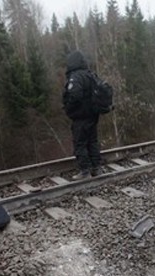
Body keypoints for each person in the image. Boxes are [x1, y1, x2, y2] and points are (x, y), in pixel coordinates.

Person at [62, 51, 103, 180]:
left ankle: (84, 171)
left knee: (80, 143)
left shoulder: (76, 77)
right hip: (93, 115)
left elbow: (75, 95)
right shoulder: (90, 75)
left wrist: (69, 108)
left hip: (80, 116)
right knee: (92, 142)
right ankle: (96, 168)